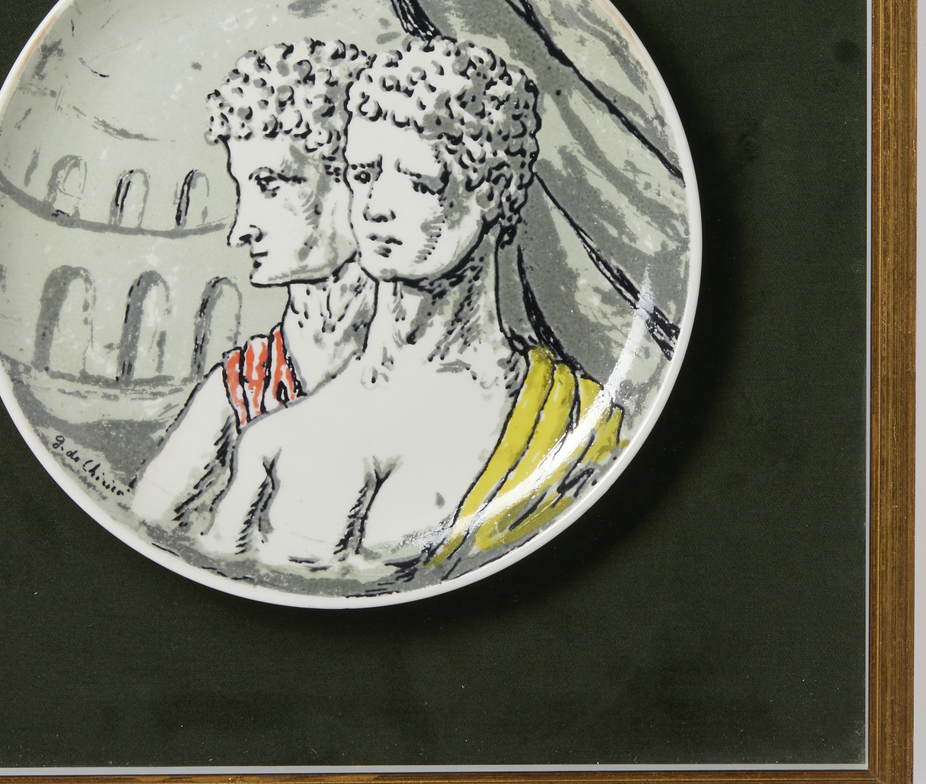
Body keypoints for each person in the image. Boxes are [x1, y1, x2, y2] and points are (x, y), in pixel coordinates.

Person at [202, 37, 623, 584]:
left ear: (493, 191)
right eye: (362, 175)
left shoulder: (578, 423)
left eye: (419, 181)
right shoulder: (276, 440)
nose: (375, 207)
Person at [128, 39, 375, 536]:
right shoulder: (242, 385)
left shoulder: (436, 375)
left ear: (357, 181)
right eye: (244, 189)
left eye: (270, 184)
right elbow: (143, 528)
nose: (240, 230)